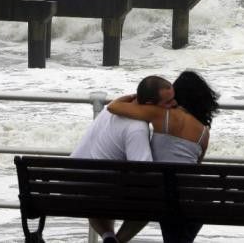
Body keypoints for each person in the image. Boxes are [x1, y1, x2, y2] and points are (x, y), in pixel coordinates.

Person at [107, 70, 220, 243]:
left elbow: (113, 107)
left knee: (154, 203)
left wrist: (134, 96)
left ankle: (115, 239)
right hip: (196, 199)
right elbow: (196, 165)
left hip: (166, 196)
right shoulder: (204, 133)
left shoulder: (162, 115)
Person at [70, 75, 175, 243]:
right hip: (97, 193)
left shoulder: (109, 110)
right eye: (168, 102)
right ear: (149, 105)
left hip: (73, 187)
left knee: (106, 177)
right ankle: (118, 241)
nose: (174, 105)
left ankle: (108, 237)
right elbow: (144, 172)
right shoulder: (137, 128)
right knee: (153, 200)